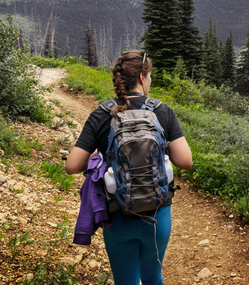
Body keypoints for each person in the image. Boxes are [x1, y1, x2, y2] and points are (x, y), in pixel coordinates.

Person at [66, 50, 193, 285]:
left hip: (118, 216)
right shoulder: (162, 111)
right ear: (143, 78)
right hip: (158, 214)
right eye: (151, 76)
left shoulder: (102, 114)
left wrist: (97, 153)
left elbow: (72, 166)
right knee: (153, 278)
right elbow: (185, 161)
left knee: (125, 281)